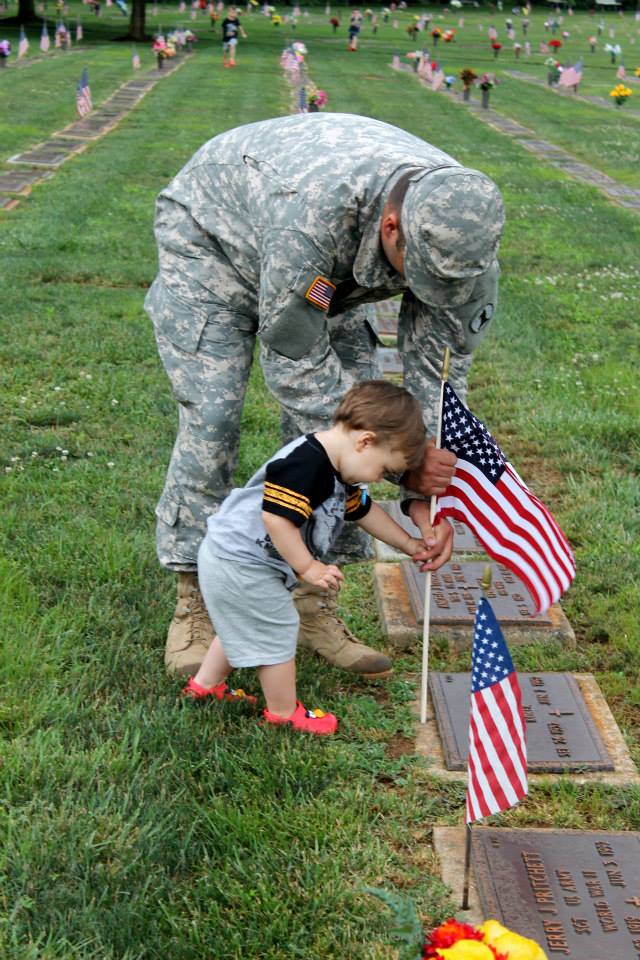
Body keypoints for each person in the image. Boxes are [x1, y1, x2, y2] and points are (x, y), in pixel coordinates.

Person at [145, 112, 505, 679]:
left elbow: (439, 371)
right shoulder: (312, 221)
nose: (428, 293)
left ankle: (312, 606)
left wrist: (424, 481)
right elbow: (293, 361)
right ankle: (197, 599)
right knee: (214, 419)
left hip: (327, 278)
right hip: (215, 241)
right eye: (420, 275)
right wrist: (393, 460)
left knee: (345, 435)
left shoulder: (460, 234)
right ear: (392, 226)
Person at [182, 381, 441, 735]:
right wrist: (307, 566)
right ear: (365, 441)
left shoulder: (338, 465)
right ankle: (284, 712)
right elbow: (275, 518)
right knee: (278, 629)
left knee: (241, 623)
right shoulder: (307, 464)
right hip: (241, 563)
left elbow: (364, 511)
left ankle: (205, 687)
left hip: (233, 559)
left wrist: (410, 544)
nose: (379, 478)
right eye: (383, 469)